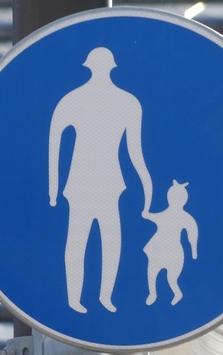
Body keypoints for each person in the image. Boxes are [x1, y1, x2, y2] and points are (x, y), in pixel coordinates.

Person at [48, 47, 153, 313]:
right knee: (98, 241)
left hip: (100, 183)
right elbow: (135, 154)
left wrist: (54, 189)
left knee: (93, 241)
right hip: (90, 183)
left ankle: (94, 298)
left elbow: (54, 146)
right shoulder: (124, 102)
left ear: (89, 66)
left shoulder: (80, 100)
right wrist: (53, 188)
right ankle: (86, 299)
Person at [143, 180, 198, 305]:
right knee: (152, 272)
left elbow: (192, 234)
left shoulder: (185, 217)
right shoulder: (166, 214)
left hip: (174, 250)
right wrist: (147, 215)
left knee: (172, 278)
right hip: (158, 247)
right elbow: (155, 217)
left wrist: (194, 250)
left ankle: (177, 293)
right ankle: (152, 293)